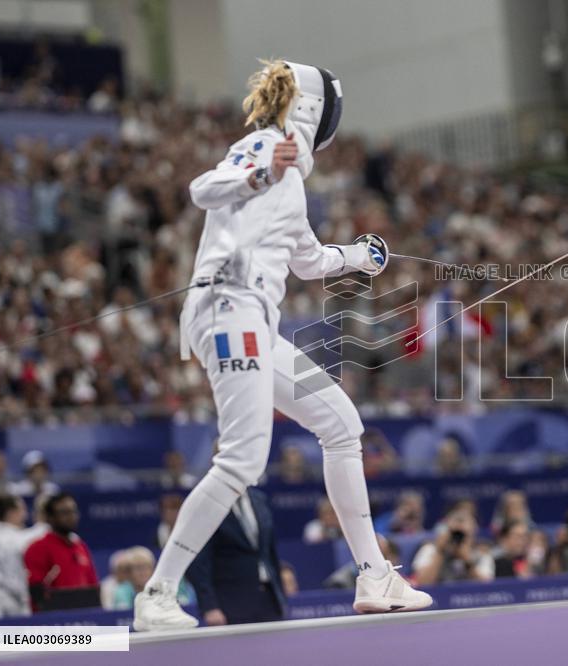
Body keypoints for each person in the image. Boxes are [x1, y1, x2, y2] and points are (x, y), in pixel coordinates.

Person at [134, 58, 430, 631]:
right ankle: (159, 592)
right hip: (229, 309)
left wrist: (360, 258)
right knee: (242, 459)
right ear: (312, 111)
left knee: (343, 425)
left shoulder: (291, 179)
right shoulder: (266, 148)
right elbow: (203, 189)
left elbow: (307, 257)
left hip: (255, 324)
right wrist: (260, 172)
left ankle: (373, 575)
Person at [186, 483, 287, 625]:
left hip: (268, 599)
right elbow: (198, 561)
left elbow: (270, 552)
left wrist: (280, 595)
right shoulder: (207, 504)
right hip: (229, 603)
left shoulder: (259, 499)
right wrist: (209, 606)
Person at [23, 492, 99, 611]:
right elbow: (36, 591)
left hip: (85, 615)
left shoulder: (80, 546)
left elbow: (92, 584)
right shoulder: (37, 548)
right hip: (54, 620)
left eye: (73, 511)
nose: (71, 517)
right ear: (50, 518)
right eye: (64, 513)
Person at [0, 495, 48, 618]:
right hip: (11, 609)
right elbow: (43, 530)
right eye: (22, 510)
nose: (25, 515)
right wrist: (44, 514)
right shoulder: (16, 540)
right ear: (11, 513)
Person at [412, 502, 494, 584]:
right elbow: (422, 583)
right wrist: (440, 552)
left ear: (474, 531)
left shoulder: (482, 553)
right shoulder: (429, 549)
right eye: (454, 534)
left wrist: (467, 561)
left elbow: (487, 587)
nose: (457, 538)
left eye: (462, 535)